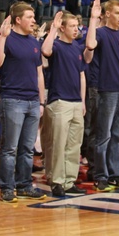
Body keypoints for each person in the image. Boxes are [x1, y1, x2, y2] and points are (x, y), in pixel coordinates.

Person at [0, 3, 49, 202]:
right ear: (17, 19)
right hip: (12, 99)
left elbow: (39, 73)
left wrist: (41, 102)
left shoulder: (33, 42)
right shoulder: (6, 38)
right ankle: (7, 187)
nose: (34, 20)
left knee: (27, 148)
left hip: (32, 100)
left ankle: (24, 185)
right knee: (10, 147)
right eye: (30, 17)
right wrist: (2, 37)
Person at [85, 0, 119, 191]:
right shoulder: (100, 33)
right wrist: (92, 19)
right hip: (107, 89)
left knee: (118, 136)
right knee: (103, 135)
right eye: (116, 13)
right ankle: (101, 175)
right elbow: (89, 45)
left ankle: (115, 174)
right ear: (107, 14)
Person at [41, 11, 88, 197]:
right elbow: (45, 51)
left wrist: (82, 101)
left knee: (74, 144)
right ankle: (57, 180)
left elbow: (82, 76)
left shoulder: (77, 48)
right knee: (58, 144)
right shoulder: (57, 45)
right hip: (59, 100)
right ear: (62, 27)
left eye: (77, 26)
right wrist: (52, 29)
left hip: (76, 101)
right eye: (72, 26)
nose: (76, 29)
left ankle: (69, 180)